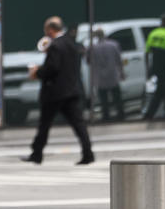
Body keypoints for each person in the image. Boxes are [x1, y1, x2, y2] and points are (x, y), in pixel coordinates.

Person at [23, 16, 94, 165]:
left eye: (46, 29)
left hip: (55, 93)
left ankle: (37, 154)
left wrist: (37, 72)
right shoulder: (71, 43)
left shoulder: (55, 46)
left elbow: (52, 68)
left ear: (50, 29)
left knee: (45, 125)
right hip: (72, 90)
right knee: (79, 124)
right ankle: (88, 153)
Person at [86, 29, 124, 122]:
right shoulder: (113, 45)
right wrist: (121, 72)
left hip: (100, 77)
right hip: (113, 75)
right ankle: (121, 114)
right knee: (117, 97)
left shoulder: (92, 48)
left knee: (104, 99)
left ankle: (106, 116)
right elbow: (119, 60)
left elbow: (88, 61)